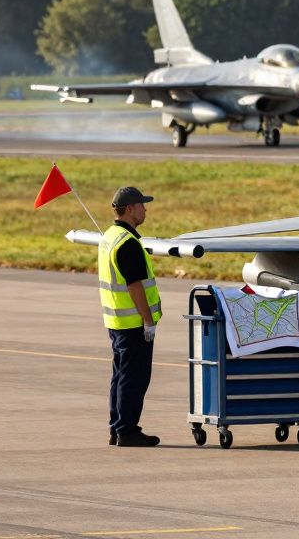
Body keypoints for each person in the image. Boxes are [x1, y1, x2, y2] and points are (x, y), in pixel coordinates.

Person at [99, 187, 162, 447]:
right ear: (128, 209)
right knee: (133, 379)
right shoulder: (127, 243)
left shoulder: (110, 237)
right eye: (141, 205)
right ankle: (127, 431)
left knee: (120, 377)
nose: (145, 209)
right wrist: (148, 321)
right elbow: (134, 286)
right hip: (133, 324)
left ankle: (117, 428)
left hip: (116, 322)